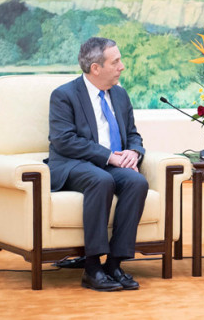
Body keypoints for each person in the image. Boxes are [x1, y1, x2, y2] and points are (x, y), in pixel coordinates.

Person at [47, 37, 148, 291]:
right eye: (116, 62)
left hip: (110, 163)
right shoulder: (64, 95)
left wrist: (133, 153)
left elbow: (133, 134)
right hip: (73, 163)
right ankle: (92, 268)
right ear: (95, 68)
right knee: (101, 179)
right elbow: (64, 141)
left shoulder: (121, 94)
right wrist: (109, 156)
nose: (122, 67)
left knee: (137, 181)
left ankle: (114, 264)